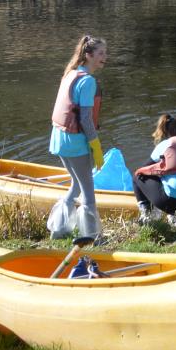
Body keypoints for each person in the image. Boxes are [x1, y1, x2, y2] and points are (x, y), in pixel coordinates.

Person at [47, 35, 107, 241]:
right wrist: (96, 145)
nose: (104, 57)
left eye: (105, 53)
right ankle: (93, 236)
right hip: (75, 142)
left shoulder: (71, 73)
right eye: (100, 53)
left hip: (58, 138)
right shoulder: (88, 81)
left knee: (75, 184)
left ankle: (59, 229)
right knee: (88, 192)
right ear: (88, 55)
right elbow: (86, 119)